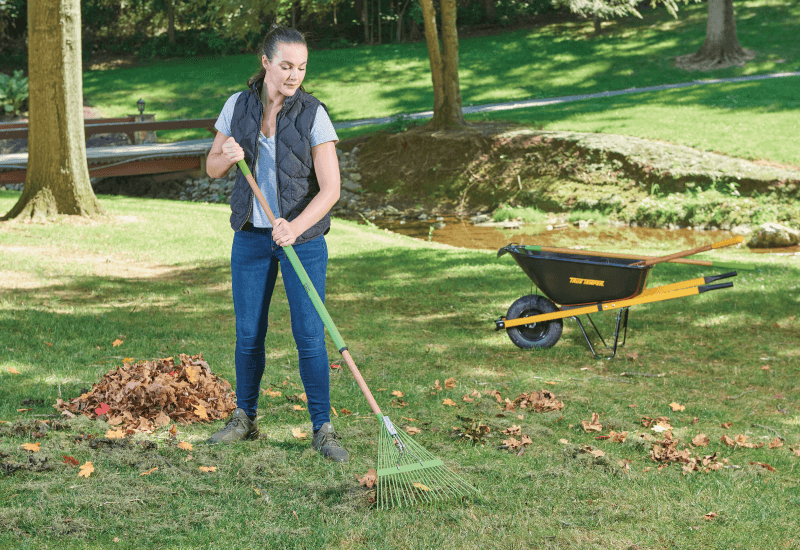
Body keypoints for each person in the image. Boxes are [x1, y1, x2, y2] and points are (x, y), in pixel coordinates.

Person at [204, 25, 347, 462]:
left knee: (310, 336)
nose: (294, 75)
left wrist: (295, 227)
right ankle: (244, 418)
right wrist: (226, 156)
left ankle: (322, 429)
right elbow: (211, 167)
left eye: (301, 67)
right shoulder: (237, 106)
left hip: (302, 242)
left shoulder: (313, 114)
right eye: (285, 66)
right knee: (249, 334)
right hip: (251, 238)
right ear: (265, 62)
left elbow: (331, 189)